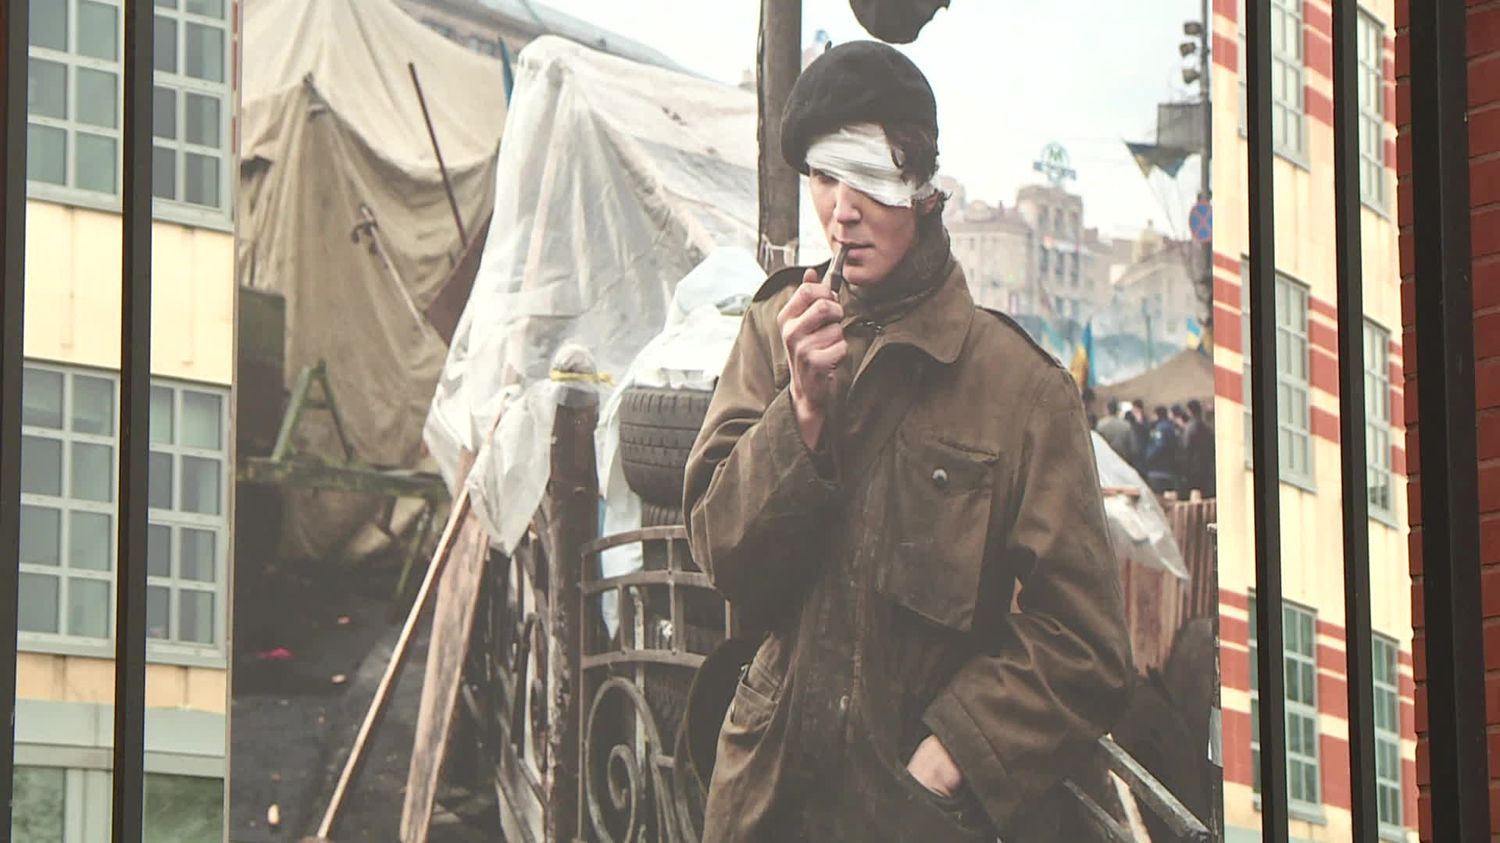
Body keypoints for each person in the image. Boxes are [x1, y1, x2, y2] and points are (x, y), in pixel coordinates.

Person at [683, 41, 1131, 843]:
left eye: (870, 175)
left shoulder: (1020, 390)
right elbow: (721, 554)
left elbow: (1085, 642)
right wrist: (802, 418)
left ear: (923, 184)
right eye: (824, 175)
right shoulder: (773, 333)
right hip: (761, 802)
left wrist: (955, 749)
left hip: (906, 814)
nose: (840, 209)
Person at [1142, 405, 1181, 494]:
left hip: (1158, 470)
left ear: (1157, 415)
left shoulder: (1160, 428)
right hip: (1170, 469)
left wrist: (1147, 457)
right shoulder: (1171, 427)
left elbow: (1158, 446)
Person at [1181, 399, 1215, 498]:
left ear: (1189, 411)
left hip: (1193, 468)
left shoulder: (1190, 427)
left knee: (1195, 496)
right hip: (1207, 466)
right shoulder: (1207, 426)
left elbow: (1186, 448)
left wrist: (1184, 469)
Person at [1096, 397, 1138, 464]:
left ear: (1106, 409)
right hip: (1123, 463)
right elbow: (1134, 449)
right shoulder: (1126, 425)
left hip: (1107, 463)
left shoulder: (1100, 425)